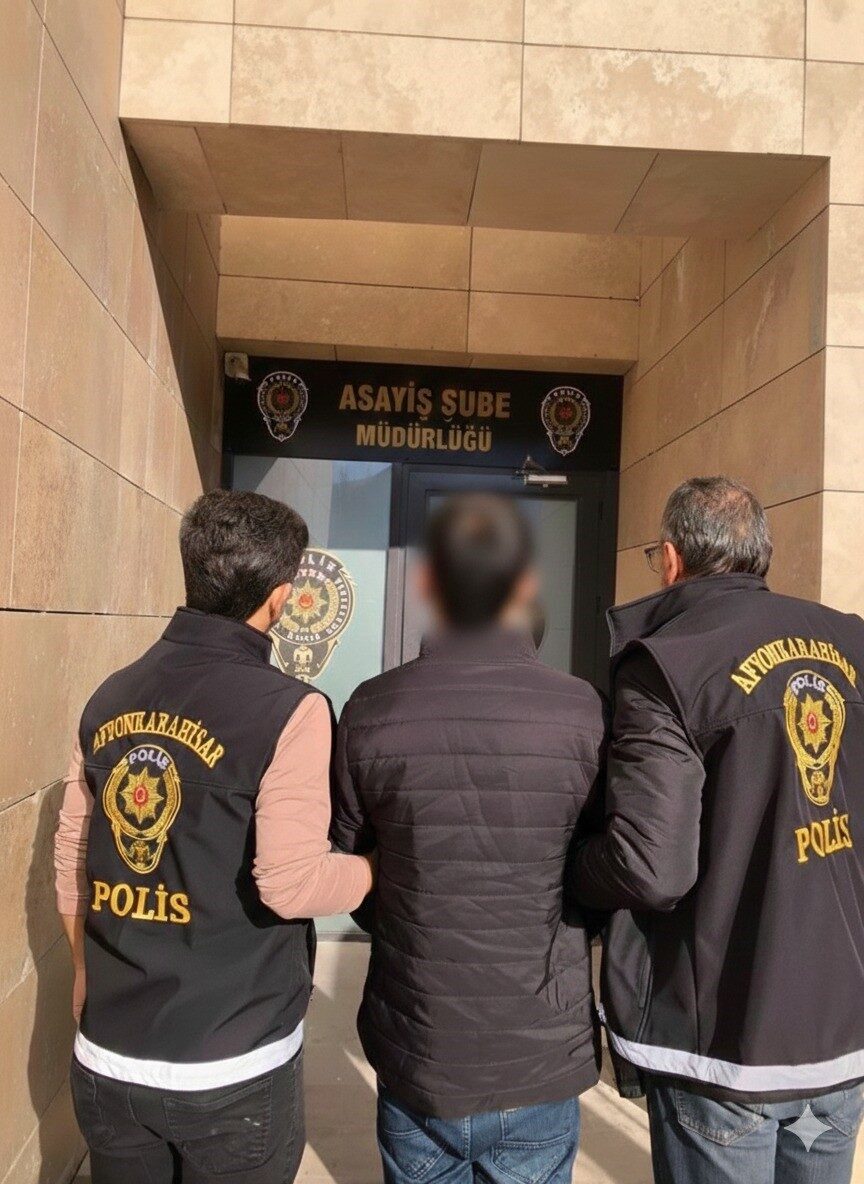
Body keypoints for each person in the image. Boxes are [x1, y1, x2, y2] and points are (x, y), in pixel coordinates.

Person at [54, 489, 375, 1184]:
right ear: (280, 597)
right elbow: (291, 884)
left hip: (109, 1055)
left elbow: (72, 858)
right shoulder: (290, 710)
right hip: (232, 1064)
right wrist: (375, 870)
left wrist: (84, 973)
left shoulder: (109, 695)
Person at [572, 476, 864, 1184]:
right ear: (760, 553)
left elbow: (653, 867)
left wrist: (574, 870)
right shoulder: (853, 641)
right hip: (841, 1027)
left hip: (723, 1039)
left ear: (672, 560)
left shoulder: (669, 661)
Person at [330, 492, 607, 1184]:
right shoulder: (582, 711)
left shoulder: (372, 706)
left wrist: (399, 909)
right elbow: (606, 864)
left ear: (427, 582)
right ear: (524, 586)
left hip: (421, 1040)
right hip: (537, 1047)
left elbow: (350, 863)